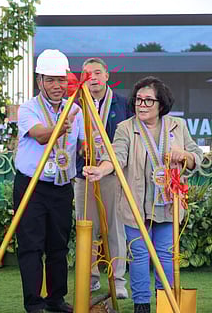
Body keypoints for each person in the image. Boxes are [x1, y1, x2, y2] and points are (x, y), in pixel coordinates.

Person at [83, 76, 203, 313]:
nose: (142, 105)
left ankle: (165, 302)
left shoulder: (178, 127)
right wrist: (101, 169)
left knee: (166, 256)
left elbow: (196, 155)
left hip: (168, 205)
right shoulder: (125, 128)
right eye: (139, 100)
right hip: (135, 205)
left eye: (149, 100)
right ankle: (141, 304)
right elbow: (116, 157)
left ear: (161, 104)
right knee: (138, 254)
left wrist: (185, 156)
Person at [14, 49, 84, 313]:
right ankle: (34, 302)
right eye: (50, 80)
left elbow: (81, 144)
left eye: (61, 80)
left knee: (59, 244)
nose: (57, 86)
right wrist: (59, 127)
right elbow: (41, 135)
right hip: (31, 186)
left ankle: (56, 299)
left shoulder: (75, 108)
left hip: (62, 186)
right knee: (31, 245)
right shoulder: (28, 108)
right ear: (39, 81)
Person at [74, 57, 132, 298]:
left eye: (97, 73)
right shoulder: (75, 104)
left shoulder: (123, 104)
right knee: (87, 228)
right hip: (84, 174)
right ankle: (89, 278)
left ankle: (118, 281)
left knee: (115, 229)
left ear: (107, 76)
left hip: (111, 175)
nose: (93, 78)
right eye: (87, 74)